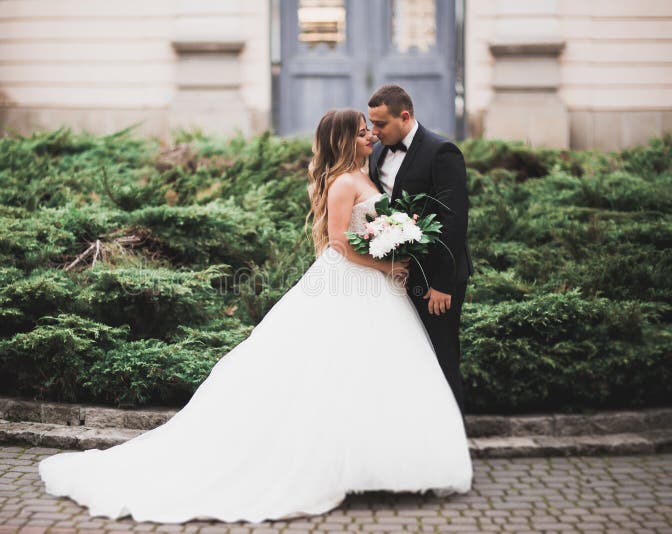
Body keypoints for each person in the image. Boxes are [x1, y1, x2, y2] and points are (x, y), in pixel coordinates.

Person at [38, 109, 472, 524]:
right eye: (362, 132)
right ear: (344, 140)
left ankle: (379, 465)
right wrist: (386, 265)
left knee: (371, 374)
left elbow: (369, 229)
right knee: (333, 370)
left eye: (370, 130)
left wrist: (395, 240)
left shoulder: (366, 173)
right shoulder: (343, 182)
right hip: (353, 282)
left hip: (376, 287)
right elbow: (340, 243)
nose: (371, 136)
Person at [368, 85, 473, 414]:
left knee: (440, 356)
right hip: (396, 276)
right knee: (410, 361)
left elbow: (453, 220)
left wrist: (441, 283)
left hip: (435, 279)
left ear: (405, 116)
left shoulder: (442, 152)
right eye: (372, 123)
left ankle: (454, 440)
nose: (374, 132)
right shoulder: (377, 152)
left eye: (381, 124)